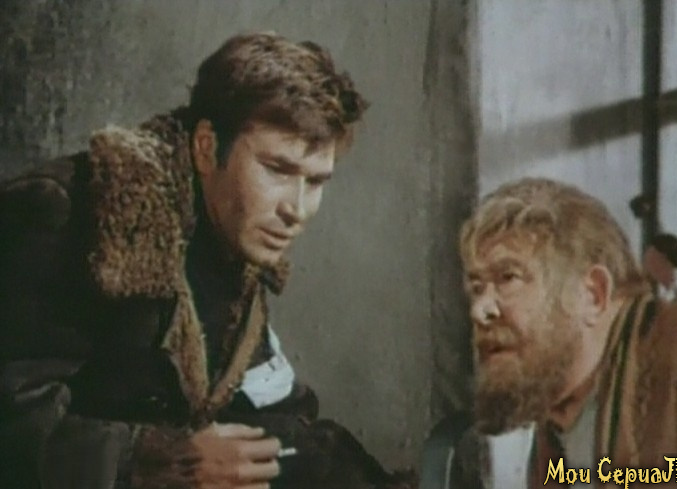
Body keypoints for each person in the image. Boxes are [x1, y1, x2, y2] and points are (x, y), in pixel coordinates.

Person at [0, 32, 412, 489]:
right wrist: (158, 460)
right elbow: (12, 426)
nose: (296, 209)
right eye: (277, 170)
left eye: (315, 182)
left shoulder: (234, 240)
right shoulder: (69, 213)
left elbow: (268, 401)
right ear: (205, 146)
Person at [455, 177, 677, 488]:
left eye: (508, 278)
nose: (479, 309)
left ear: (592, 294)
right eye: (477, 288)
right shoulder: (558, 415)